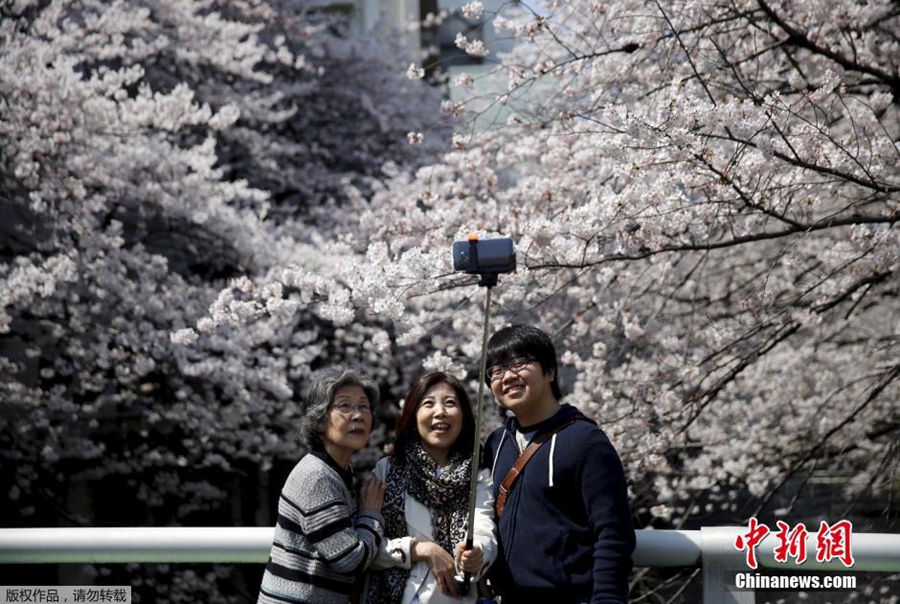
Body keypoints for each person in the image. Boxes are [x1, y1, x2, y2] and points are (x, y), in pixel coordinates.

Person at [481, 325, 635, 604]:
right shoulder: (495, 444)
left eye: (519, 362)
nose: (507, 376)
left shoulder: (586, 442)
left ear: (550, 371)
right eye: (497, 370)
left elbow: (613, 534)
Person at [364, 371, 497, 604]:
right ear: (414, 416)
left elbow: (484, 528)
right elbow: (367, 544)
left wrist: (476, 553)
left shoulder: (477, 476)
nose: (440, 412)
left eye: (450, 403)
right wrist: (421, 550)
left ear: (464, 416)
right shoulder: (386, 471)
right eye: (428, 404)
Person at [258, 366, 387, 604]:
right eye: (345, 406)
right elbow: (351, 560)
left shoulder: (339, 471)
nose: (357, 415)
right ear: (319, 420)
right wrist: (371, 515)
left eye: (363, 406)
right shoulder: (317, 477)